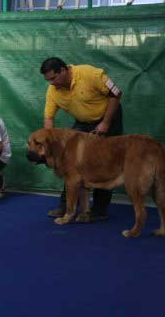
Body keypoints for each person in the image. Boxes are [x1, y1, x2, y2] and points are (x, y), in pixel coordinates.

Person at [40, 57, 123, 222]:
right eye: (48, 80)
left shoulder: (91, 74)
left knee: (104, 163)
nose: (51, 83)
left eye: (53, 78)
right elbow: (49, 119)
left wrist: (105, 123)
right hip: (82, 122)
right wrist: (48, 142)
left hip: (107, 118)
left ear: (63, 70)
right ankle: (67, 206)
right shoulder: (53, 90)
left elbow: (116, 93)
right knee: (68, 163)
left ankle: (99, 210)